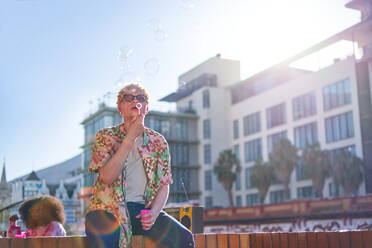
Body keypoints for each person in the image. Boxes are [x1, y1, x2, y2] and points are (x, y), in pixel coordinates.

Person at [85, 83, 195, 248]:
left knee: (184, 238)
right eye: (128, 97)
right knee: (104, 242)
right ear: (120, 107)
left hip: (141, 211)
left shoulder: (158, 142)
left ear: (146, 107)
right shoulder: (106, 136)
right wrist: (129, 139)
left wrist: (154, 212)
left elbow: (164, 185)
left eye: (140, 98)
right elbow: (107, 177)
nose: (134, 100)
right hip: (107, 209)